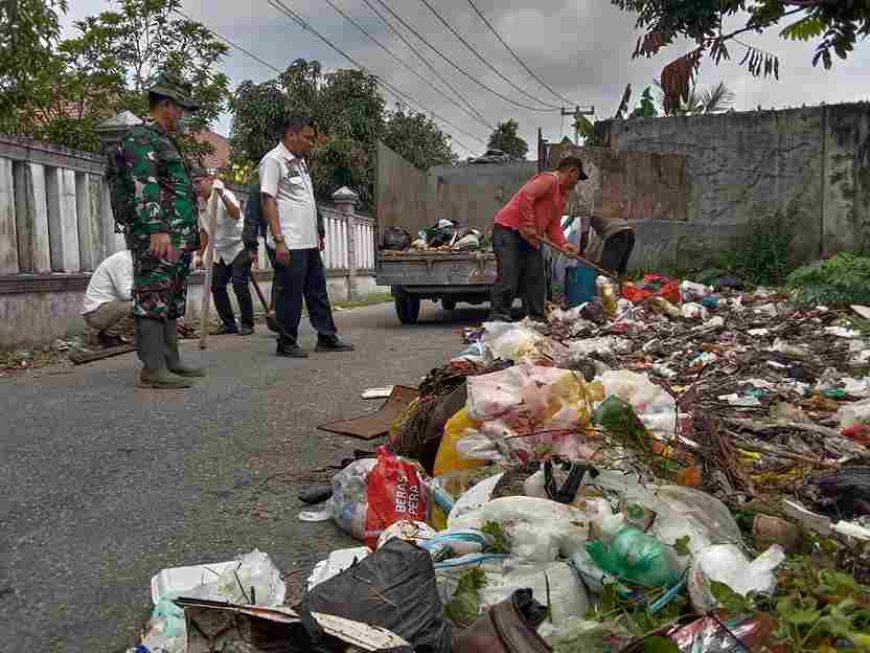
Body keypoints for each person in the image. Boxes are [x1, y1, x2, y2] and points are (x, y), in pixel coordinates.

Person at [116, 73, 204, 388]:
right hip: (158, 234)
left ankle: (171, 360)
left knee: (171, 295)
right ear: (166, 104)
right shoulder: (140, 138)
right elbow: (145, 185)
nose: (181, 115)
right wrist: (156, 228)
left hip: (177, 235)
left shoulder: (166, 140)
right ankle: (152, 368)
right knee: (152, 293)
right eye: (179, 108)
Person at [258, 115, 354, 358]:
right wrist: (279, 239)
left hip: (308, 240)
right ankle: (286, 342)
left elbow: (306, 202)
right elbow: (267, 199)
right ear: (291, 134)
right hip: (289, 241)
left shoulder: (299, 163)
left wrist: (317, 233)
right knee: (289, 293)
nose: (311, 143)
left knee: (317, 290)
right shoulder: (273, 161)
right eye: (307, 138)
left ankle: (326, 336)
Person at [489, 155, 588, 322]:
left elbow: (554, 227)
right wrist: (528, 225)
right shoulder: (549, 180)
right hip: (508, 230)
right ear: (572, 171)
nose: (576, 183)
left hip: (530, 238)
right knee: (509, 274)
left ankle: (536, 318)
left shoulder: (562, 197)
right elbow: (526, 195)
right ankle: (498, 316)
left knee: (535, 277)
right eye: (577, 178)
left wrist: (564, 244)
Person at [194, 172, 255, 336]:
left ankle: (247, 323)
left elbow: (236, 214)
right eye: (194, 183)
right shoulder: (200, 203)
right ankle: (229, 324)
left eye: (200, 181)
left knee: (239, 283)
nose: (197, 186)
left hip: (238, 245)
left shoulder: (225, 194)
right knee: (216, 285)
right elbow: (204, 231)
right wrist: (199, 254)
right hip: (219, 249)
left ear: (209, 181)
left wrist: (221, 194)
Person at [81, 249, 134, 347]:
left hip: (107, 309)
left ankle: (111, 335)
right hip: (96, 313)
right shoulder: (122, 260)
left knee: (144, 302)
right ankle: (108, 336)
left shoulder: (133, 261)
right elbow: (125, 294)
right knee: (140, 305)